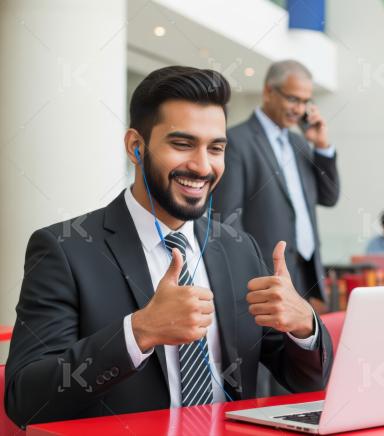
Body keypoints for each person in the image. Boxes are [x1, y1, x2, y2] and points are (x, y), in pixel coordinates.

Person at [4, 67, 332, 428]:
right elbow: (26, 399)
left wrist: (304, 326)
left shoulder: (239, 248)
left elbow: (305, 380)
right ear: (135, 147)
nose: (202, 166)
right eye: (182, 144)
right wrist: (139, 332)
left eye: (216, 148)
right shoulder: (65, 250)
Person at [214, 60, 339, 314]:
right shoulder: (237, 142)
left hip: (305, 274)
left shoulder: (300, 143)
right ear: (269, 91)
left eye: (305, 101)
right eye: (293, 99)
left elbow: (329, 197)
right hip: (264, 280)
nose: (300, 109)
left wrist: (322, 147)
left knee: (303, 350)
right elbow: (228, 220)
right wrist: (252, 274)